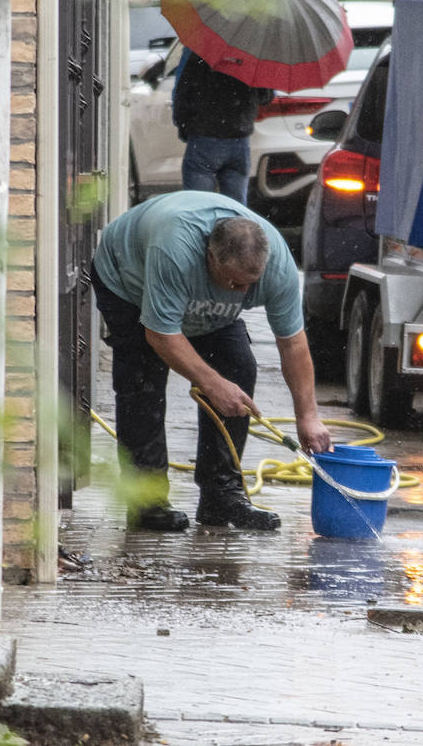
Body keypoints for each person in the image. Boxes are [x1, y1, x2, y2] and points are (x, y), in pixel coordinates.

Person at [91, 190, 332, 531]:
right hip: (126, 279)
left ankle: (222, 496)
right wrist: (211, 383)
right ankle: (146, 501)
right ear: (210, 257)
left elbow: (293, 344)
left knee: (238, 367)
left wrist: (308, 417)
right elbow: (162, 335)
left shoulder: (277, 269)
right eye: (232, 280)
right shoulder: (175, 249)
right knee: (143, 376)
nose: (238, 291)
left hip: (202, 305)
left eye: (248, 285)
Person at [172, 47, 273, 205]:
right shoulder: (252, 54)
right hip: (239, 139)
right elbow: (265, 96)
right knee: (236, 209)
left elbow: (183, 95)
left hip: (204, 138)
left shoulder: (201, 53)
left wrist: (184, 127)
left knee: (198, 206)